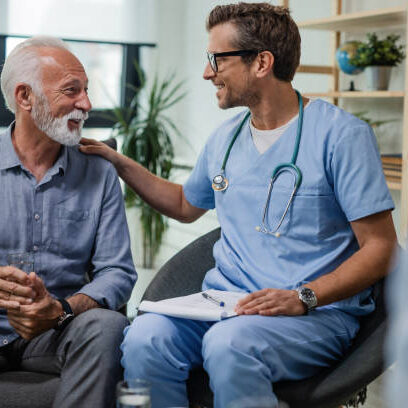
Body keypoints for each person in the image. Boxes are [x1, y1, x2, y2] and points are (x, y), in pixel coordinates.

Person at [80, 3, 397, 407]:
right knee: (145, 338)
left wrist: (305, 297)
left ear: (262, 62)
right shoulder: (226, 138)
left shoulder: (341, 137)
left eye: (217, 59)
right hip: (225, 304)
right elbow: (183, 203)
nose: (207, 72)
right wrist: (120, 163)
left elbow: (380, 248)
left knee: (231, 345)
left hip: (312, 314)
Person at [0, 36, 137, 408]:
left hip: (56, 332)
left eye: (86, 91)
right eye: (71, 91)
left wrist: (61, 310)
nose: (87, 104)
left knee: (108, 327)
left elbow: (117, 272)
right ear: (24, 97)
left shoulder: (100, 172)